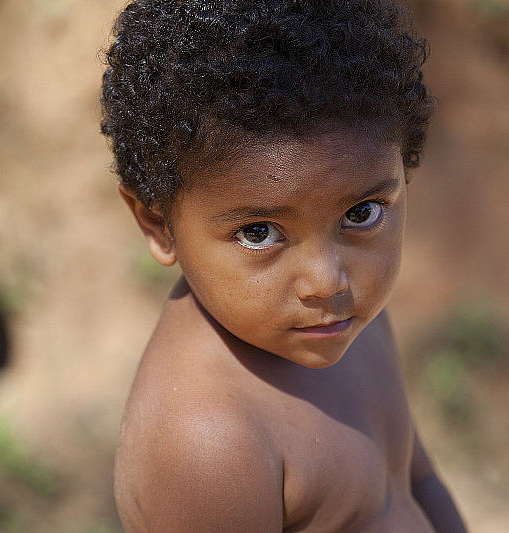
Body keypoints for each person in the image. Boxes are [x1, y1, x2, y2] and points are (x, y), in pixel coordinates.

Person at [101, 0, 468, 531]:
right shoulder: (210, 444)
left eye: (360, 214)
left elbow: (418, 484)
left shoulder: (349, 325)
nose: (327, 281)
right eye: (258, 232)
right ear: (158, 224)